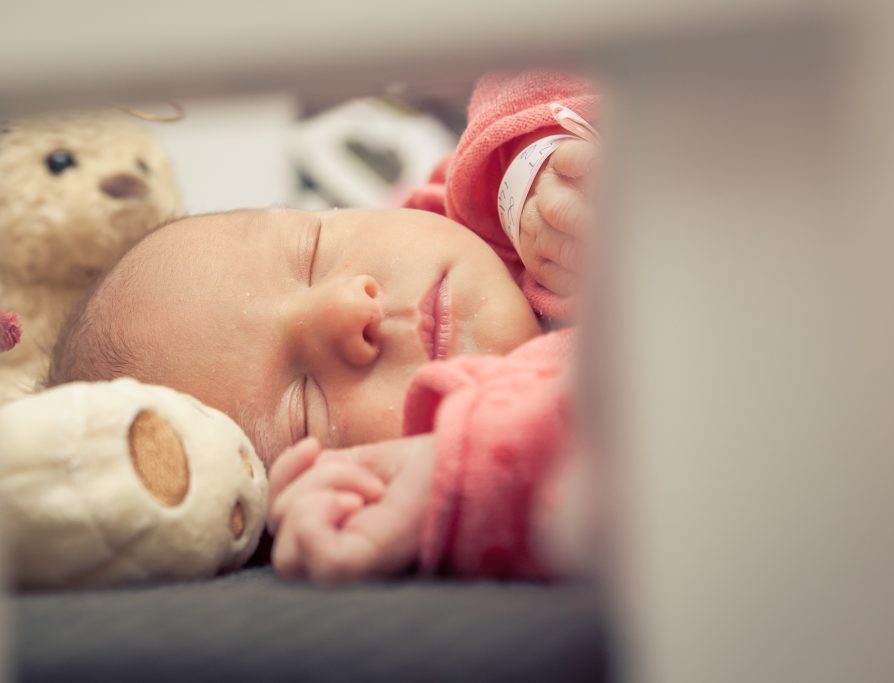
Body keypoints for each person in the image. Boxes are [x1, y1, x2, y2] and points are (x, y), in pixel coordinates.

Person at [49, 70, 598, 582]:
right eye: (304, 408)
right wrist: (463, 478)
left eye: (312, 253)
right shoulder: (481, 461)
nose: (348, 309)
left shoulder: (483, 192)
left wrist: (533, 160)